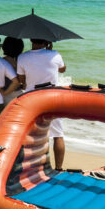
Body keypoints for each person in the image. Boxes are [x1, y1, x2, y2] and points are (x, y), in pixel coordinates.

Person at [17, 38, 68, 169]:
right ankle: (58, 168)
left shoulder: (22, 57)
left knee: (31, 134)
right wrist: (50, 51)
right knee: (58, 135)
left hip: (32, 98)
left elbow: (22, 80)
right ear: (47, 42)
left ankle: (32, 166)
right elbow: (62, 69)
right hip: (52, 96)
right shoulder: (55, 54)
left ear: (31, 40)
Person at [0, 36, 25, 105]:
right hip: (16, 95)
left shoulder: (0, 61)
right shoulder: (20, 62)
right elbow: (24, 85)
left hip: (1, 95)